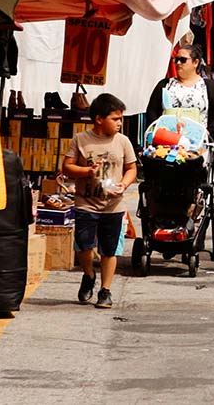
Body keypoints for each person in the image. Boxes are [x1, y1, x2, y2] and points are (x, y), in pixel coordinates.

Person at [140, 45, 214, 238]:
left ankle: (194, 232)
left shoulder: (207, 86)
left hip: (197, 149)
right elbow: (152, 112)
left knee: (199, 190)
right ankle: (160, 227)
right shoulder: (165, 85)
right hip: (166, 148)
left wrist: (208, 132)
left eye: (183, 60)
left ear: (196, 63)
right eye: (176, 60)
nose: (178, 63)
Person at [64, 94, 137, 309]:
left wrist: (123, 185)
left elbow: (132, 168)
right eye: (115, 119)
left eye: (120, 119)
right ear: (98, 119)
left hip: (113, 206)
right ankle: (88, 274)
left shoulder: (122, 141)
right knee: (84, 246)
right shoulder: (81, 139)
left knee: (109, 249)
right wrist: (87, 171)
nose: (120, 123)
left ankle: (105, 290)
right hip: (86, 203)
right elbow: (66, 167)